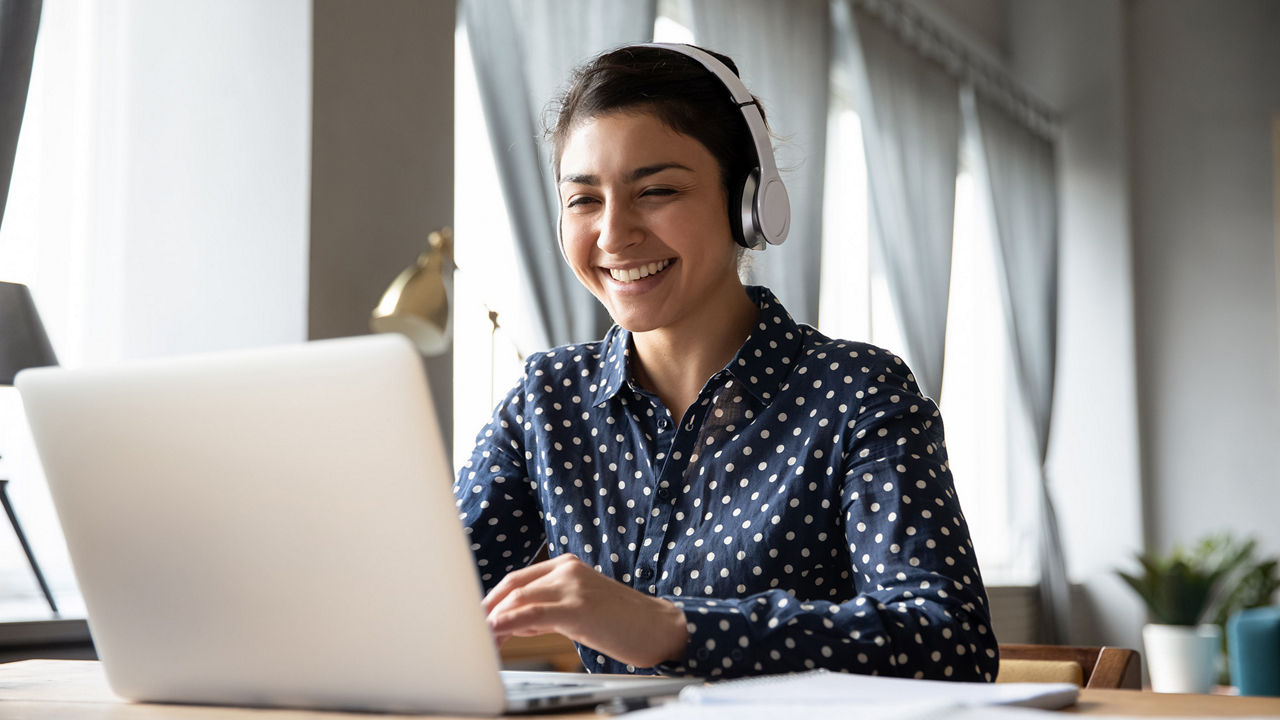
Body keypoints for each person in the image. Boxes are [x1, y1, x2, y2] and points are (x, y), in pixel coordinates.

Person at [454, 43, 997, 681]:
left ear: (748, 203)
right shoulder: (547, 400)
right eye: (583, 200)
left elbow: (950, 641)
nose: (613, 234)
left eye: (656, 190)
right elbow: (432, 601)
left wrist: (672, 627)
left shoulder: (857, 393)